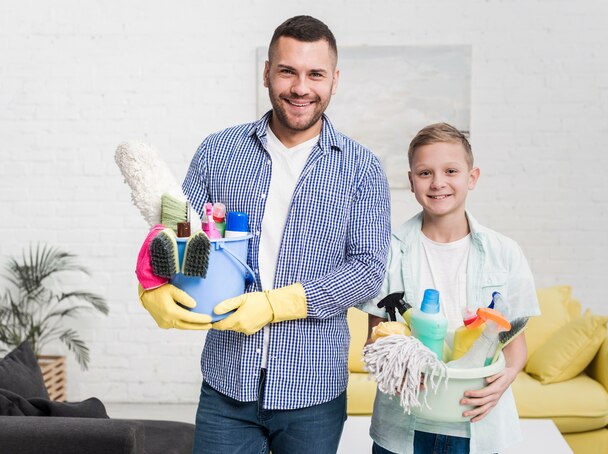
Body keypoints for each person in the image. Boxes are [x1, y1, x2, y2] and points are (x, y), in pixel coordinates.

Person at [137, 15, 391, 454]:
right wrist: (150, 286)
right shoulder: (219, 152)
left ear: (335, 80)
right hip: (226, 382)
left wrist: (277, 305)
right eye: (287, 70)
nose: (300, 87)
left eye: (315, 74)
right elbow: (177, 231)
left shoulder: (361, 168)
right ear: (267, 72)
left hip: (313, 389)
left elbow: (368, 270)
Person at [359, 123, 540, 454]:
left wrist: (507, 378)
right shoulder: (388, 251)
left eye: (451, 171)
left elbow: (514, 344)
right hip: (404, 426)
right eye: (425, 172)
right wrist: (398, 372)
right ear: (411, 181)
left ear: (472, 178)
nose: (438, 182)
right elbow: (376, 338)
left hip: (477, 422)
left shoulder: (505, 253)